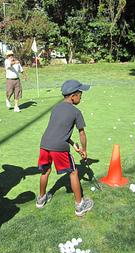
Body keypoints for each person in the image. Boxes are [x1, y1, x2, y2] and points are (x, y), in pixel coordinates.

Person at [36, 80, 94, 217]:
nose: (81, 96)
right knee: (73, 172)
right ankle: (80, 206)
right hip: (59, 147)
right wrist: (84, 150)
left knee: (45, 170)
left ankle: (41, 199)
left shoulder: (56, 108)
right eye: (80, 93)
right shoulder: (76, 112)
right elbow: (82, 133)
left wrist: (74, 145)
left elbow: (58, 131)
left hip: (45, 144)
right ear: (73, 96)